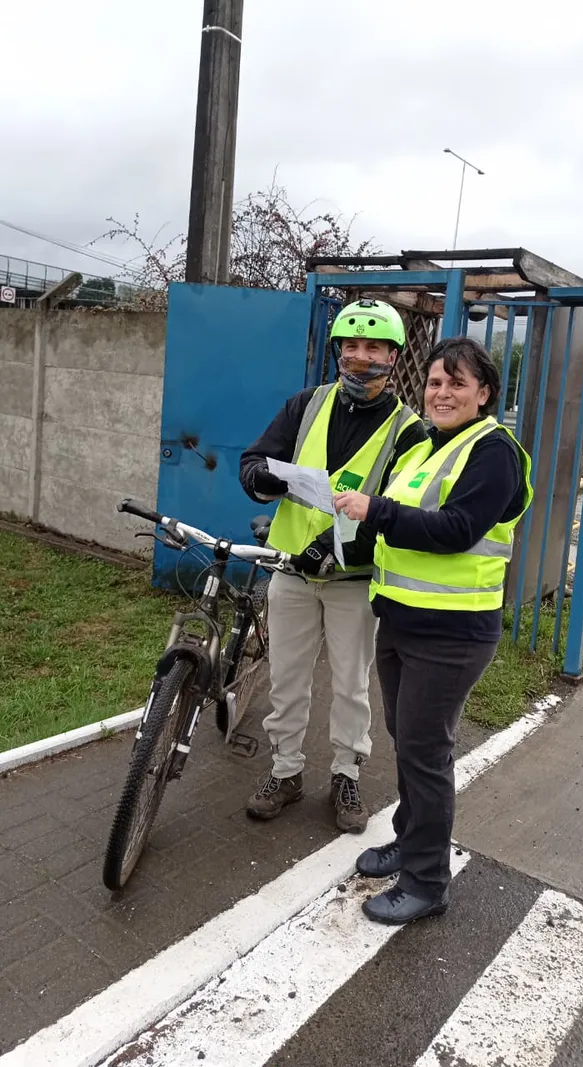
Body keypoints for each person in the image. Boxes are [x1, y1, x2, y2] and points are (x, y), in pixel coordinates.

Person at [334, 336, 533, 921]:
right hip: (402, 621)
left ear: (484, 393)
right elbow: (395, 527)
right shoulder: (425, 446)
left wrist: (377, 510)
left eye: (457, 383)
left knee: (425, 751)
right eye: (435, 383)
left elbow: (456, 528)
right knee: (407, 738)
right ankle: (409, 839)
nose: (442, 393)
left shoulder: (493, 450)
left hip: (453, 633)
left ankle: (427, 882)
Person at [239, 299, 428, 833]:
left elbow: (402, 512)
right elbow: (254, 460)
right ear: (337, 351)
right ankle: (286, 771)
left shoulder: (409, 432)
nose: (360, 358)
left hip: (353, 581)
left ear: (394, 356)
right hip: (293, 572)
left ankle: (346, 773)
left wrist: (347, 546)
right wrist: (262, 480)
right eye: (350, 346)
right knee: (287, 678)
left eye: (373, 348)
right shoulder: (306, 404)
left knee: (350, 683)